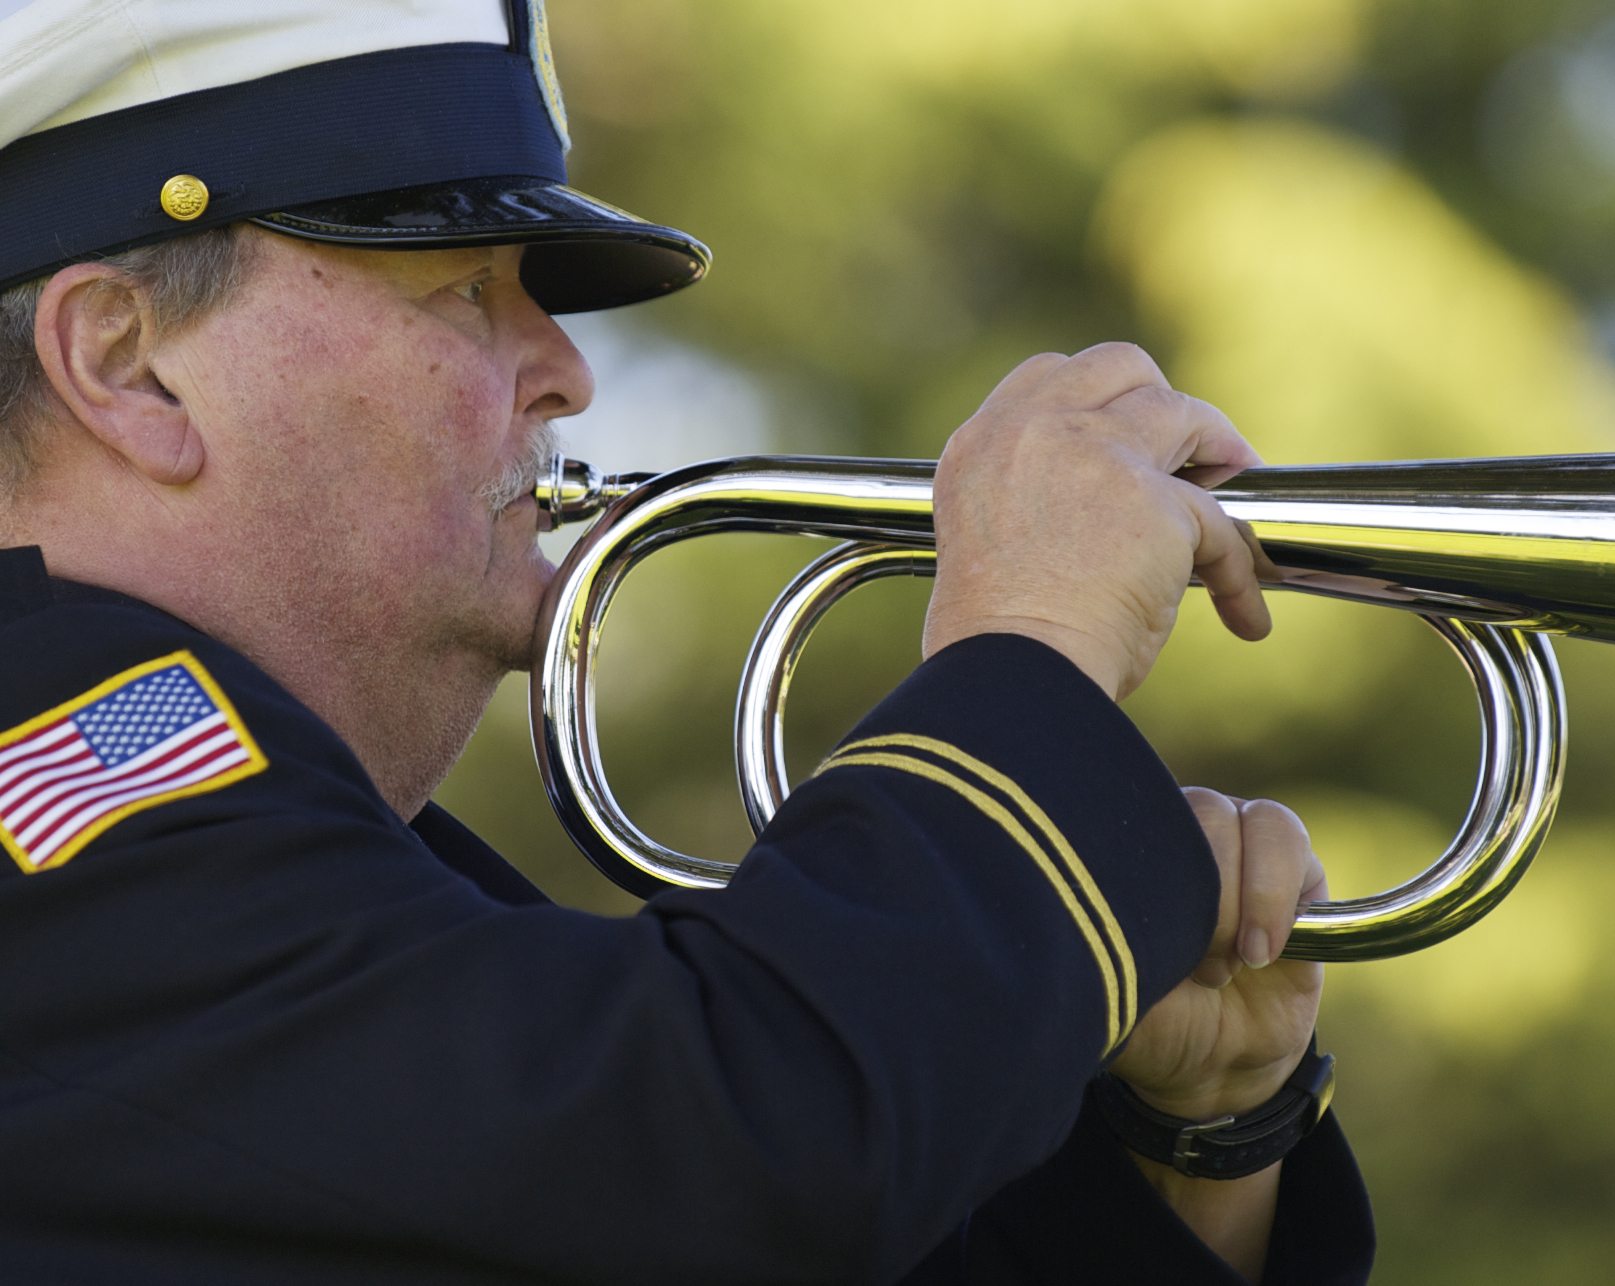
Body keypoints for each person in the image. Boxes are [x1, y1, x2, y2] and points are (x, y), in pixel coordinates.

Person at [0, 2, 1374, 1281]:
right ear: (125, 361)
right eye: (460, 290)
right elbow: (721, 1158)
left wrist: (1204, 1144)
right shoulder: (53, 789)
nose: (570, 368)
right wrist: (1036, 641)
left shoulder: (312, 888)